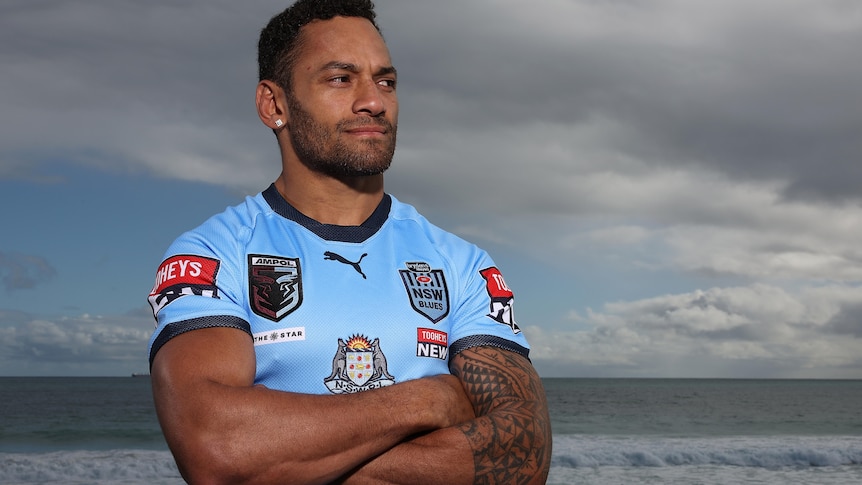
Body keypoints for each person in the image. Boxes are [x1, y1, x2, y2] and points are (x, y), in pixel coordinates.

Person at [146, 1, 552, 483]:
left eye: (386, 81)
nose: (374, 102)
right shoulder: (213, 255)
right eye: (341, 79)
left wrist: (289, 461)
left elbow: (523, 458)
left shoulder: (462, 265)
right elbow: (217, 450)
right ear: (274, 105)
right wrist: (432, 399)